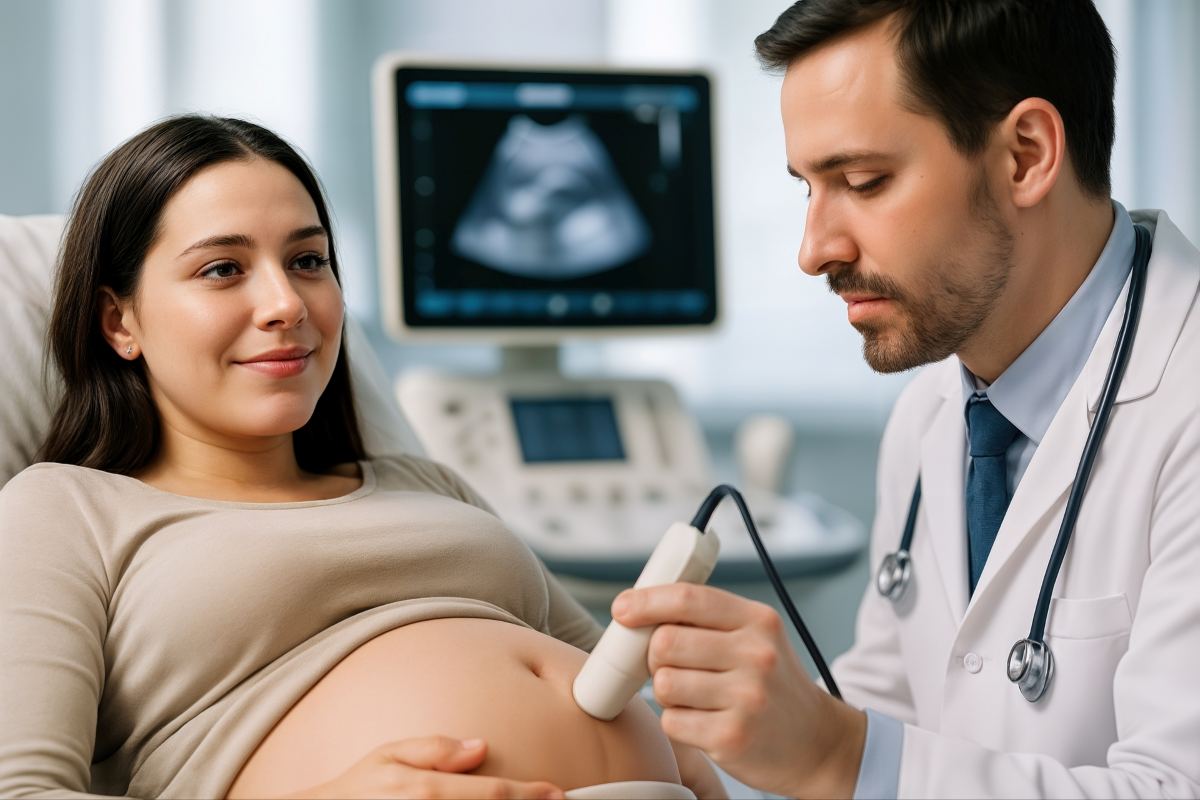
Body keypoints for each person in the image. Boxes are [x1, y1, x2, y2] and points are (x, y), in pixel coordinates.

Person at [0, 115, 723, 800]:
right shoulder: (66, 510)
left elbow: (614, 672)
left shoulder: (424, 483)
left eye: (308, 260)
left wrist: (678, 747)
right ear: (119, 320)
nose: (286, 302)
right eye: (223, 269)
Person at [611, 1, 1200, 798]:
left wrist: (833, 754)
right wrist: (684, 765)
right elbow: (892, 714)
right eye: (808, 189)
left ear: (1025, 156)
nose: (815, 249)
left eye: (863, 182)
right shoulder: (934, 415)